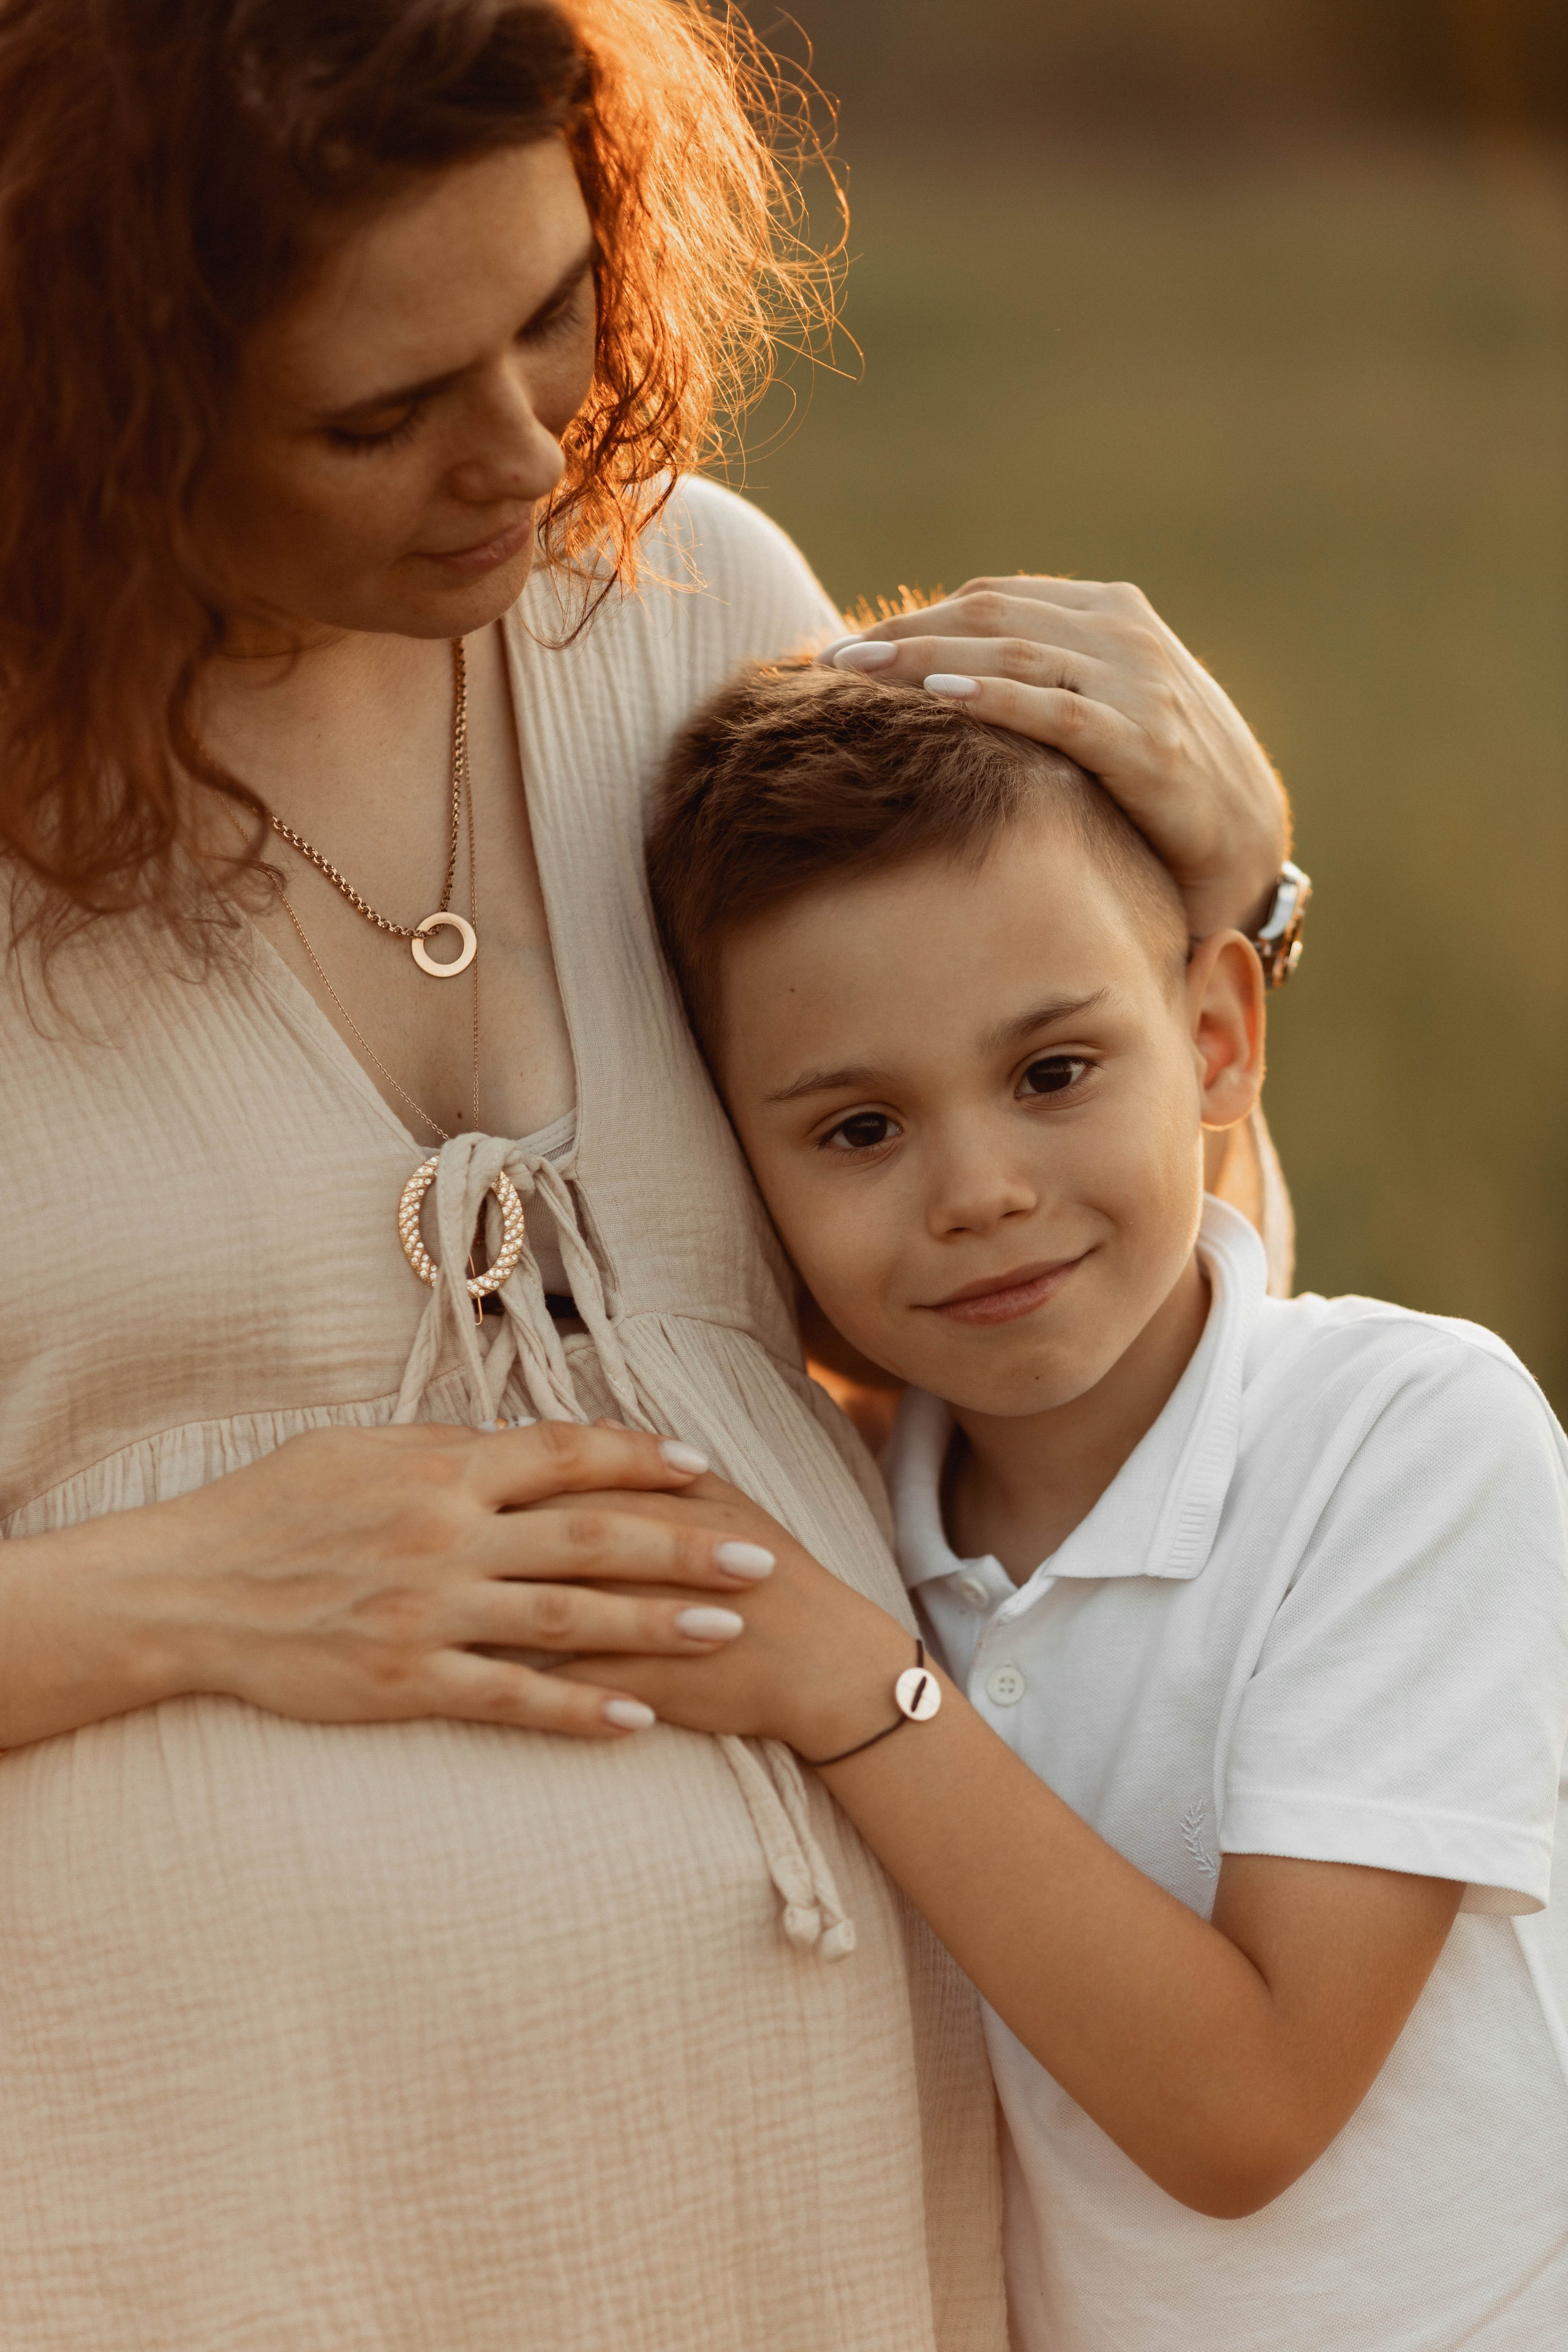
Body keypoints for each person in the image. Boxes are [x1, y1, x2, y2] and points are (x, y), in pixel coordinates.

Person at [0, 3, 1292, 2345]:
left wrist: (1218, 923)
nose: (523, 451)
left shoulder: (697, 612)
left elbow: (1096, 1418)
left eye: (550, 306)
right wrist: (168, 1597)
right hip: (157, 2236)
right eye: (374, 415)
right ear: (86, 412)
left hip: (787, 2230)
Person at [603, 660, 1568, 2351]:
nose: (979, 1191)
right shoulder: (832, 1509)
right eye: (860, 1126)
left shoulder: (1404, 1437)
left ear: (1215, 1035)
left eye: (1052, 1074)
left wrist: (867, 1694)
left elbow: (1247, 2114)